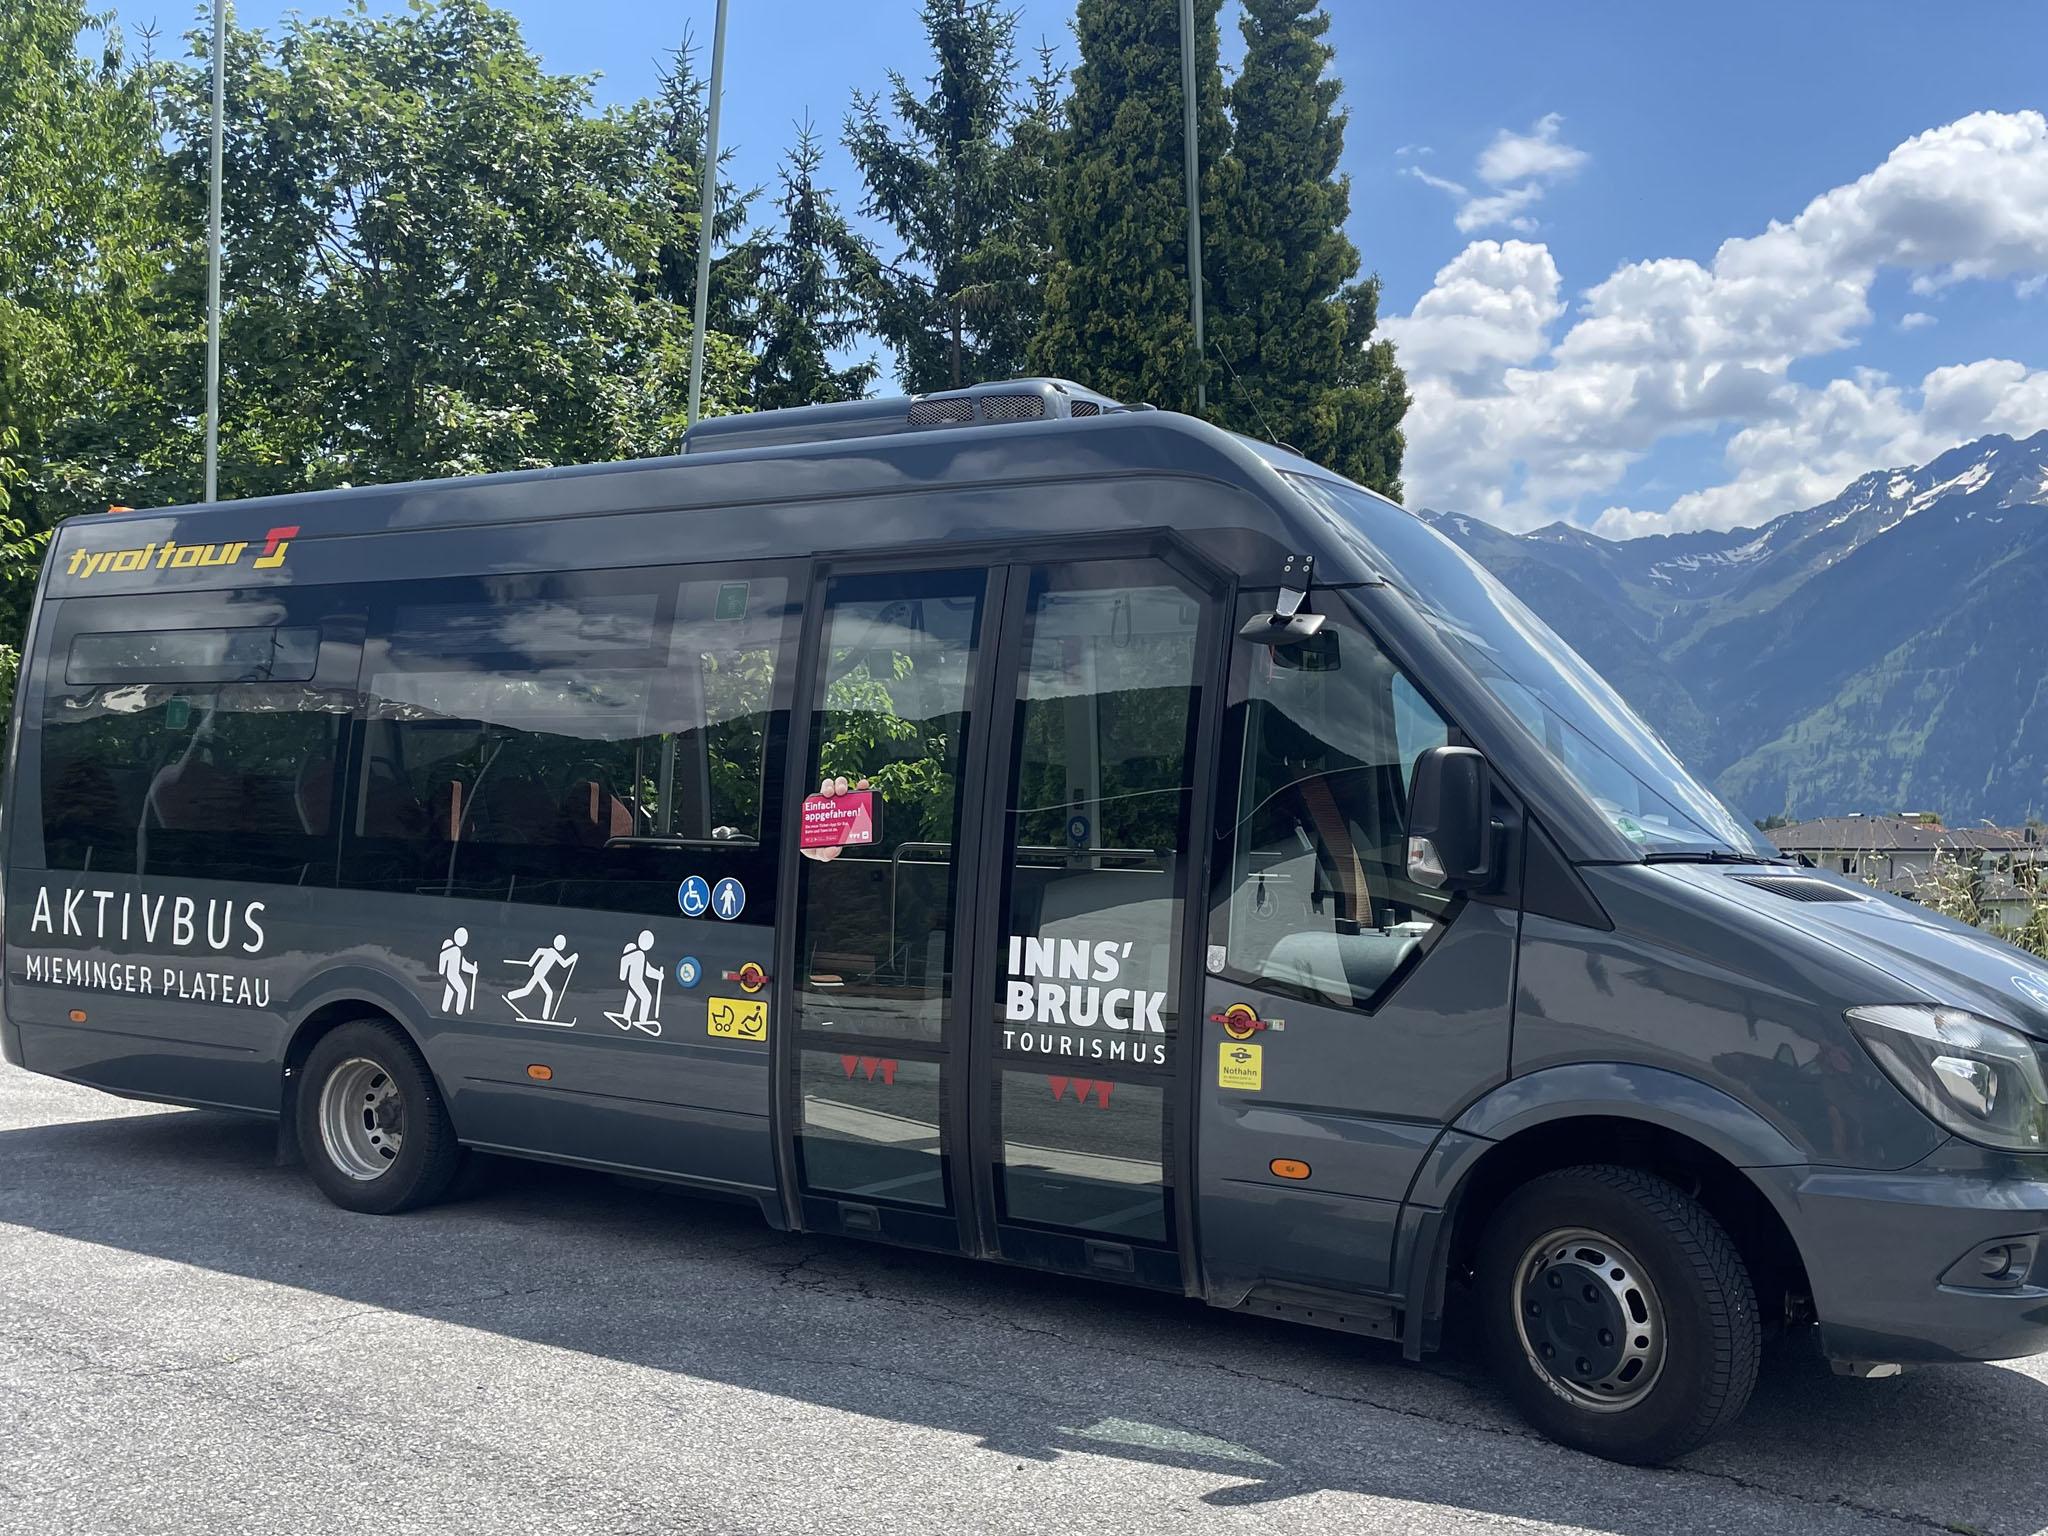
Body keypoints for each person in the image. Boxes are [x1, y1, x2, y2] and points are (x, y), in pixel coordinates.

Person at [507, 934, 579, 1022]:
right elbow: (563, 963)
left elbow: (541, 952)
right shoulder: (552, 952)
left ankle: (511, 995)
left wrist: (573, 958)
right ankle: (545, 1017)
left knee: (528, 990)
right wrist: (573, 957)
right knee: (548, 993)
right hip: (539, 973)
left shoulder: (553, 952)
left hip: (539, 973)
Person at [616, 929, 661, 1033]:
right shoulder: (638, 954)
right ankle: (642, 1020)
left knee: (632, 997)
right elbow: (625, 960)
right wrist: (622, 974)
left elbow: (648, 970)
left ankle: (626, 1016)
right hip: (635, 981)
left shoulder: (641, 955)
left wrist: (659, 975)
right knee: (647, 998)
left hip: (635, 981)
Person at [438, 927, 477, 1014]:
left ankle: (445, 1009)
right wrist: (441, 969)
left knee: (450, 989)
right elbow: (443, 955)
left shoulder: (458, 951)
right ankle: (459, 1011)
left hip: (452, 974)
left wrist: (473, 970)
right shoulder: (454, 950)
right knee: (463, 991)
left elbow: (463, 965)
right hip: (452, 975)